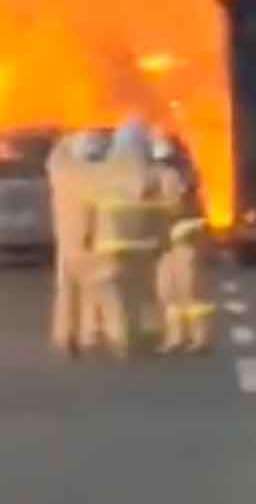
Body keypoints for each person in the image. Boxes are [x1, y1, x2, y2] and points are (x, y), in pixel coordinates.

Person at [83, 117, 175, 359]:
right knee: (145, 291)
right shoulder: (152, 173)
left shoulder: (103, 174)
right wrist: (164, 241)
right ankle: (150, 338)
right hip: (145, 244)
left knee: (120, 293)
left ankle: (124, 339)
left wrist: (88, 238)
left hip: (111, 243)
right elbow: (162, 211)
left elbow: (91, 208)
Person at [48, 129, 109, 358]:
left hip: (67, 242)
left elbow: (55, 158)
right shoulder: (99, 178)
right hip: (93, 239)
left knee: (67, 290)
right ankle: (90, 334)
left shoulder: (62, 174)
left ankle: (66, 335)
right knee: (95, 287)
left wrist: (66, 141)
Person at [156, 217, 216, 354]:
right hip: (173, 252)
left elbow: (201, 226)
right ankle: (177, 339)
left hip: (181, 252)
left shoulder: (184, 222)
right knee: (172, 301)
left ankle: (199, 340)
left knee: (192, 299)